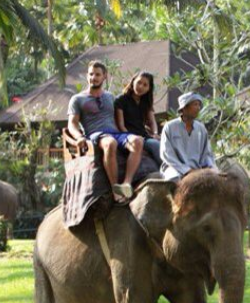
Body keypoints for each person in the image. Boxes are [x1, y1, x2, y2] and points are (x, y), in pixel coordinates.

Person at [67, 60, 144, 202]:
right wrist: (79, 137)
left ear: (104, 76)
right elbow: (72, 124)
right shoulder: (77, 99)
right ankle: (115, 189)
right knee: (110, 143)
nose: (93, 78)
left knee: (138, 140)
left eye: (97, 74)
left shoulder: (110, 97)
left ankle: (126, 183)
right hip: (96, 134)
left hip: (115, 132)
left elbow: (121, 119)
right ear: (87, 76)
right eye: (91, 74)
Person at [160, 92, 217, 181]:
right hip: (174, 168)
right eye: (195, 104)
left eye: (199, 105)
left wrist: (213, 169)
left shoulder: (201, 128)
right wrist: (186, 170)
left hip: (196, 169)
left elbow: (207, 154)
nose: (198, 108)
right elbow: (167, 154)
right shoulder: (170, 127)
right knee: (174, 179)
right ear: (184, 108)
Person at [115, 71, 162, 166]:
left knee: (165, 143)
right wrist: (132, 137)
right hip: (128, 137)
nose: (141, 87)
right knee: (155, 145)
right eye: (139, 82)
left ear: (149, 88)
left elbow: (152, 121)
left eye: (145, 85)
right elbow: (121, 125)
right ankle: (167, 168)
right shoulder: (121, 99)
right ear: (133, 82)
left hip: (143, 136)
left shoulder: (146, 101)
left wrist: (155, 133)